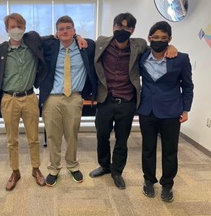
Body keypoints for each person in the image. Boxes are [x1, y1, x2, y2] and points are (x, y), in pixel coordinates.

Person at [89, 13, 177, 190]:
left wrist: (171, 46)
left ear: (133, 30)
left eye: (127, 27)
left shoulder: (140, 45)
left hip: (127, 102)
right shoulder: (101, 42)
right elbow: (81, 44)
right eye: (119, 26)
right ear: (113, 27)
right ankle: (105, 166)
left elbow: (157, 48)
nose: (122, 30)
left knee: (122, 139)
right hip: (105, 100)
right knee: (102, 136)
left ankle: (117, 171)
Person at [0, 13, 48, 191]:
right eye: (13, 26)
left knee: (33, 138)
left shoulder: (33, 45)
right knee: (11, 140)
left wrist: (76, 36)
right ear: (6, 29)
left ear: (24, 27)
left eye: (20, 26)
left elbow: (54, 38)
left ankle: (36, 169)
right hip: (9, 99)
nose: (16, 29)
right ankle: (15, 171)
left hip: (30, 97)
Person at [138, 21, 193, 202]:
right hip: (147, 111)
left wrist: (186, 109)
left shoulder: (181, 59)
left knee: (170, 151)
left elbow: (187, 86)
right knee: (148, 149)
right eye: (155, 37)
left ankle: (167, 184)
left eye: (164, 38)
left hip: (171, 112)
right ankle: (148, 180)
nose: (159, 41)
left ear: (169, 40)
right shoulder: (142, 57)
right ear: (149, 38)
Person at [39, 15, 97, 186]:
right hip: (52, 98)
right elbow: (32, 38)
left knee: (72, 134)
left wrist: (79, 38)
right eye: (61, 29)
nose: (65, 31)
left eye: (68, 28)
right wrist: (53, 36)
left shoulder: (86, 47)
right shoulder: (50, 46)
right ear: (56, 32)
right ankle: (54, 169)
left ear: (74, 30)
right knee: (53, 136)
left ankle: (72, 166)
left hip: (74, 98)